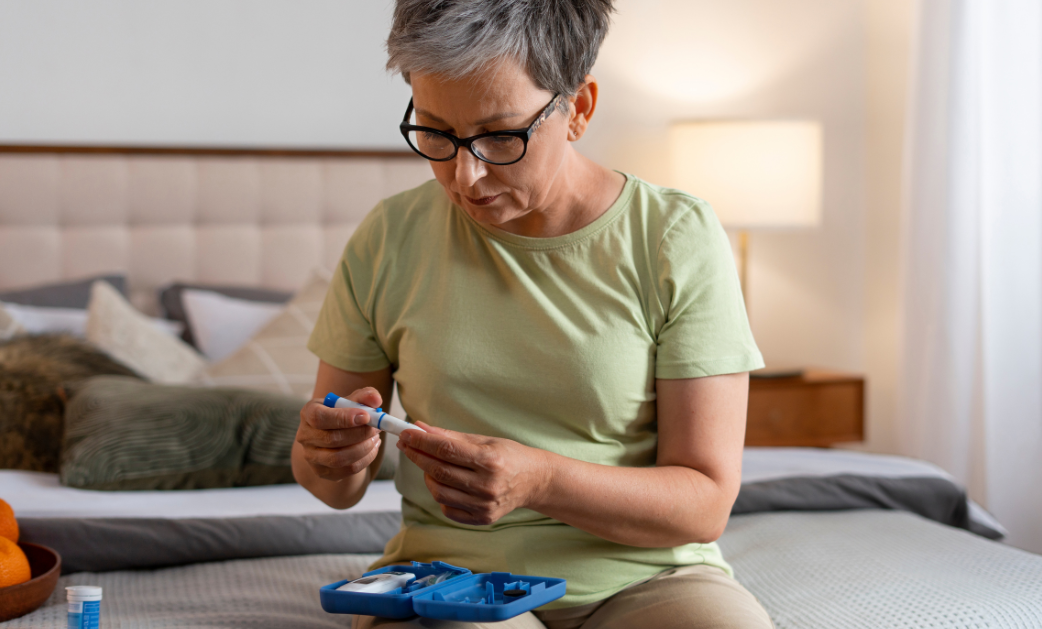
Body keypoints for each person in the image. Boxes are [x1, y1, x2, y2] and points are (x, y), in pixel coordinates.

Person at [294, 1, 771, 627]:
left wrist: (541, 479)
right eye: (436, 132)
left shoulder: (673, 237)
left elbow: (704, 501)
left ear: (577, 110)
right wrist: (329, 458)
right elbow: (330, 482)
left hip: (647, 578)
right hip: (448, 583)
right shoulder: (389, 238)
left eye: (499, 136)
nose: (465, 175)